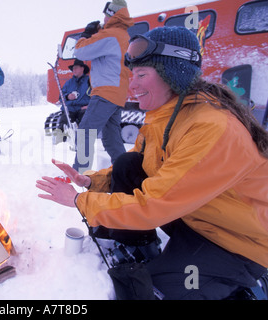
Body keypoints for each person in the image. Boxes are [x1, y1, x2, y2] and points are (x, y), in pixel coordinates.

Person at [37, 26, 268, 300]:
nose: (131, 85)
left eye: (142, 75)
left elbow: (155, 203)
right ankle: (140, 248)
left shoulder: (212, 127)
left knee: (153, 291)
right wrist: (91, 181)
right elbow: (143, 166)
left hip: (234, 241)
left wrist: (79, 200)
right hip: (193, 214)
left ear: (174, 74)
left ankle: (245, 288)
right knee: (127, 163)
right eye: (132, 75)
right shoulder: (164, 114)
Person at [72, 0, 134, 173]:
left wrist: (85, 35)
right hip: (117, 93)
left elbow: (81, 51)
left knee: (85, 132)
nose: (103, 19)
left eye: (106, 15)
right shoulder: (122, 35)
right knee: (111, 139)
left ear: (112, 14)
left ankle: (80, 173)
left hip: (106, 92)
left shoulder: (111, 34)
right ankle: (126, 172)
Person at [58, 59, 91, 127]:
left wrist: (90, 106)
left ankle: (87, 138)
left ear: (82, 68)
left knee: (87, 124)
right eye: (73, 68)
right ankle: (60, 137)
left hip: (84, 109)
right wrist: (67, 96)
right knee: (62, 125)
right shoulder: (68, 83)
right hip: (70, 109)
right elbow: (60, 97)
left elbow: (97, 96)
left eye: (76, 68)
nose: (74, 70)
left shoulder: (90, 81)